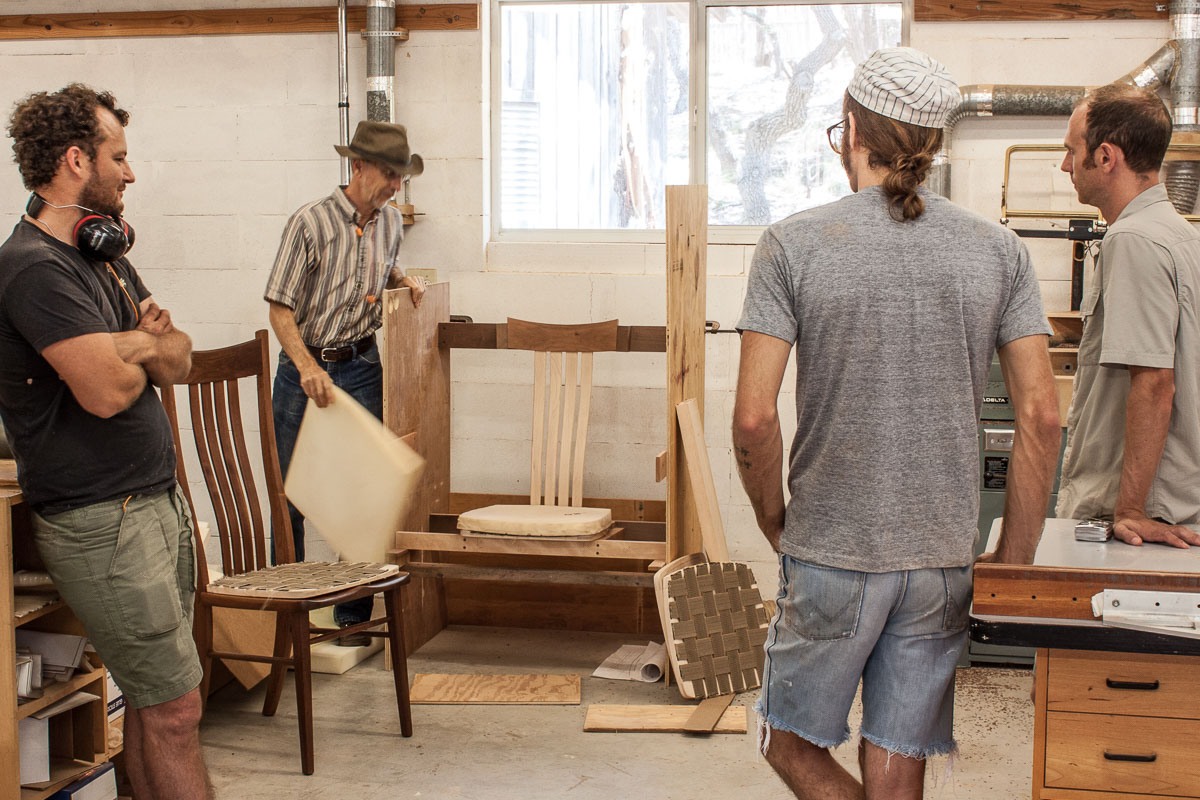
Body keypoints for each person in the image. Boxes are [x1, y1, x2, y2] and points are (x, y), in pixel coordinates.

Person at [732, 48, 1062, 800]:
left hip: (833, 550)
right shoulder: (998, 250)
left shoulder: (793, 244)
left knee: (786, 743)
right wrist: (1010, 557)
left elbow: (753, 420)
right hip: (942, 558)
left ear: (851, 128)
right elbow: (1042, 417)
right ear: (932, 143)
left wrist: (774, 516)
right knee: (897, 757)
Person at [0, 85, 211, 799]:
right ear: (74, 159)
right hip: (104, 521)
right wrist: (139, 345)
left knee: (160, 706)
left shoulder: (104, 255)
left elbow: (180, 358)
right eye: (118, 156)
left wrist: (143, 348)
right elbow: (105, 392)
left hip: (153, 504)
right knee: (176, 709)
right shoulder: (34, 270)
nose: (129, 172)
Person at [264, 120, 426, 641]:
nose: (394, 185)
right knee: (290, 489)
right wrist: (308, 367)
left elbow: (383, 270)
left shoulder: (391, 224)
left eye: (400, 176)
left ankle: (352, 618)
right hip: (304, 366)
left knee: (361, 489)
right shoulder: (308, 224)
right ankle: (284, 614)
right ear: (356, 167)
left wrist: (403, 281)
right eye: (387, 173)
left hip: (360, 364)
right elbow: (280, 309)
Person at [1055, 83, 1200, 550]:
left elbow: (1155, 380)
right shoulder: (1180, 235)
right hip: (1173, 504)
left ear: (1105, 156)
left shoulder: (1134, 240)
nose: (1064, 165)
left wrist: (1131, 509)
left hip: (1136, 520)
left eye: (1071, 151)